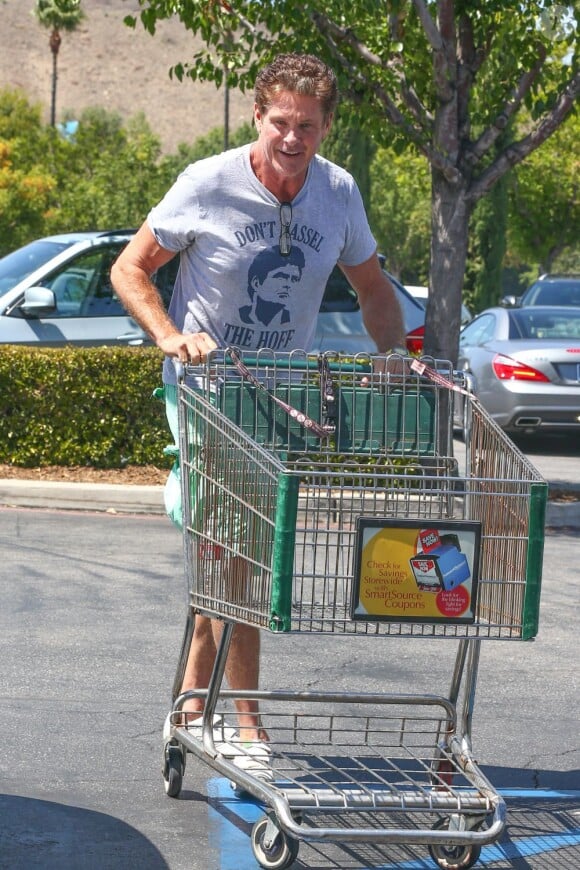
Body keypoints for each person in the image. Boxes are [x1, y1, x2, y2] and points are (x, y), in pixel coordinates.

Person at [111, 52, 407, 773]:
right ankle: (248, 723)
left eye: (307, 125)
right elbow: (130, 269)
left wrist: (395, 352)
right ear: (258, 117)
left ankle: (189, 703)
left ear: (326, 126)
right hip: (207, 394)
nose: (292, 138)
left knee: (229, 552)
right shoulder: (207, 184)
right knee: (242, 552)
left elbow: (371, 287)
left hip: (281, 395)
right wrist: (171, 335)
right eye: (281, 122)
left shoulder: (337, 194)